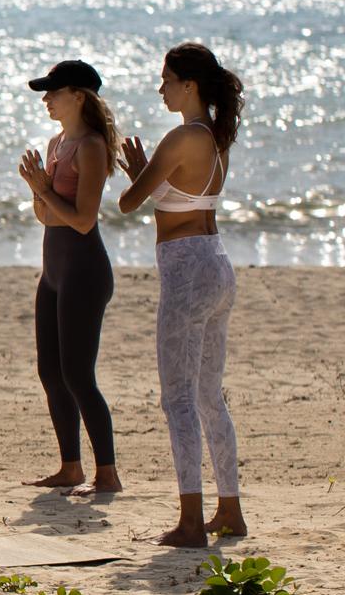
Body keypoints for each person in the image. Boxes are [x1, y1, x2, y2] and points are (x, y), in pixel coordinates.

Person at [117, 42, 247, 547]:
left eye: (167, 79)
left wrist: (141, 173)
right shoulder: (216, 137)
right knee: (209, 395)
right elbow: (178, 201)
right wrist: (147, 173)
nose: (161, 88)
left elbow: (130, 203)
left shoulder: (180, 137)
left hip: (186, 269)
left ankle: (191, 521)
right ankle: (229, 509)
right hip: (216, 263)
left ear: (189, 85)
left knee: (179, 399)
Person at [16, 58, 120, 496]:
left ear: (78, 96)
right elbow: (46, 216)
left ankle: (108, 473)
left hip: (84, 270)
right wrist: (38, 191)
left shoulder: (91, 146)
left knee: (79, 375)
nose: (46, 100)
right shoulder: (57, 143)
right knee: (50, 371)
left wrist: (43, 190)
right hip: (54, 270)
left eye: (53, 93)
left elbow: (82, 220)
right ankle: (70, 466)